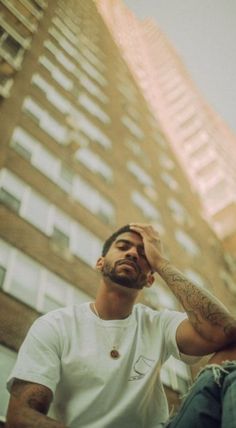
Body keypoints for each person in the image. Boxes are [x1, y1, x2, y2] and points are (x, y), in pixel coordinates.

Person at [5, 223, 236, 428]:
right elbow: (21, 418)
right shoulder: (55, 325)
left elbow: (223, 332)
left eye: (143, 253)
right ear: (100, 262)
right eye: (123, 246)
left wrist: (161, 262)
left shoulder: (157, 323)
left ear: (150, 279)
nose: (133, 253)